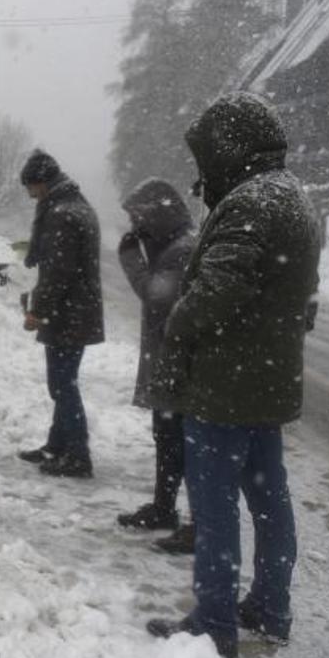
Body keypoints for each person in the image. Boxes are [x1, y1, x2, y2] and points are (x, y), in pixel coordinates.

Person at [146, 93, 320, 658]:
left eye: (206, 159)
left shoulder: (251, 203)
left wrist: (180, 318)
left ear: (229, 148)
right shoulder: (292, 197)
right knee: (271, 503)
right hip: (269, 381)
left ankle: (214, 622)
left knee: (215, 505)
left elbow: (219, 289)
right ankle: (271, 608)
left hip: (225, 386)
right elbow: (300, 299)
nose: (202, 175)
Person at [114, 179, 197, 554]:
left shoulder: (181, 251)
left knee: (182, 444)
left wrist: (132, 261)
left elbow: (157, 300)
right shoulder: (172, 246)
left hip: (177, 367)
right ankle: (164, 507)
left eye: (138, 218)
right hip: (168, 364)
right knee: (167, 440)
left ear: (157, 216)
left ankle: (198, 524)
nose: (134, 227)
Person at [16, 149, 104, 479]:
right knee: (64, 381)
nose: (29, 193)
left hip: (69, 312)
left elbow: (58, 271)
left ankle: (79, 455)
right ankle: (58, 444)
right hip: (77, 309)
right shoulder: (76, 206)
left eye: (31, 187)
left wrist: (38, 311)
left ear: (42, 182)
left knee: (62, 384)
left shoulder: (62, 213)